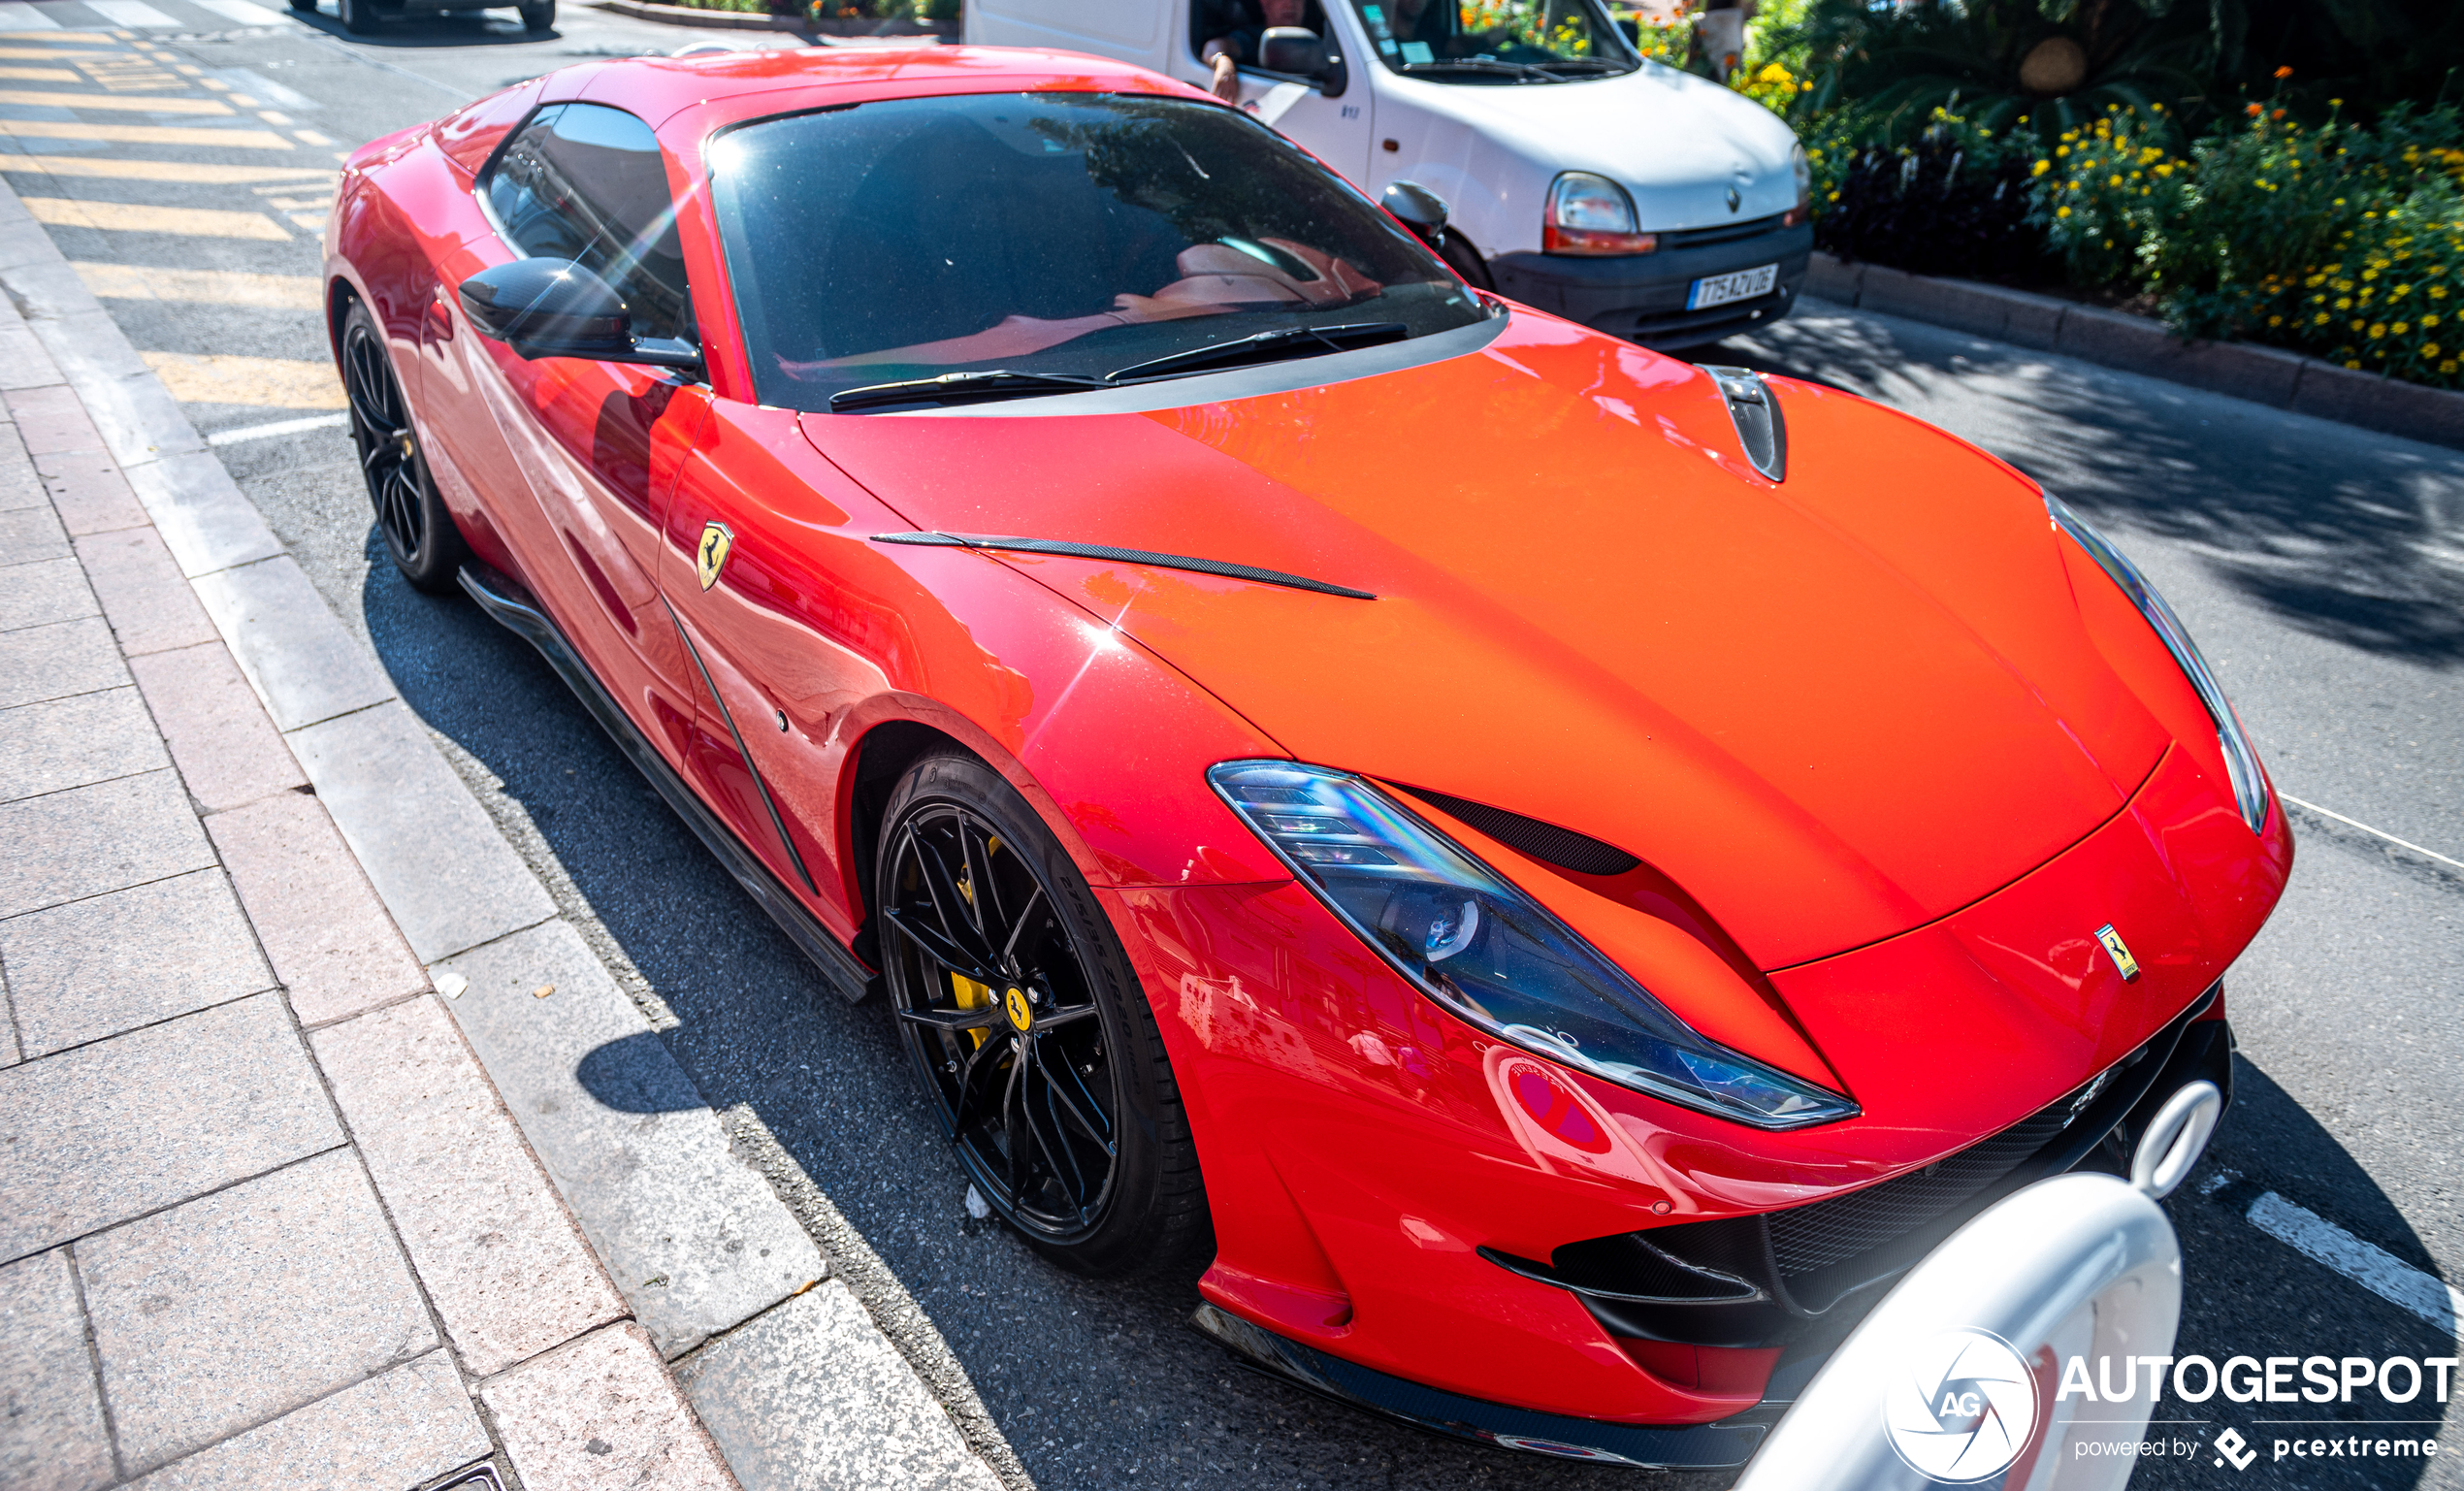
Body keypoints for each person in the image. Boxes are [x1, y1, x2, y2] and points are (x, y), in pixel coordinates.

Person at [1200, 0, 1309, 103]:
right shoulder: (1254, 39)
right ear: (1265, 3)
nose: (1290, 4)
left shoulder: (1319, 42)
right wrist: (1224, 64)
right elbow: (1212, 47)